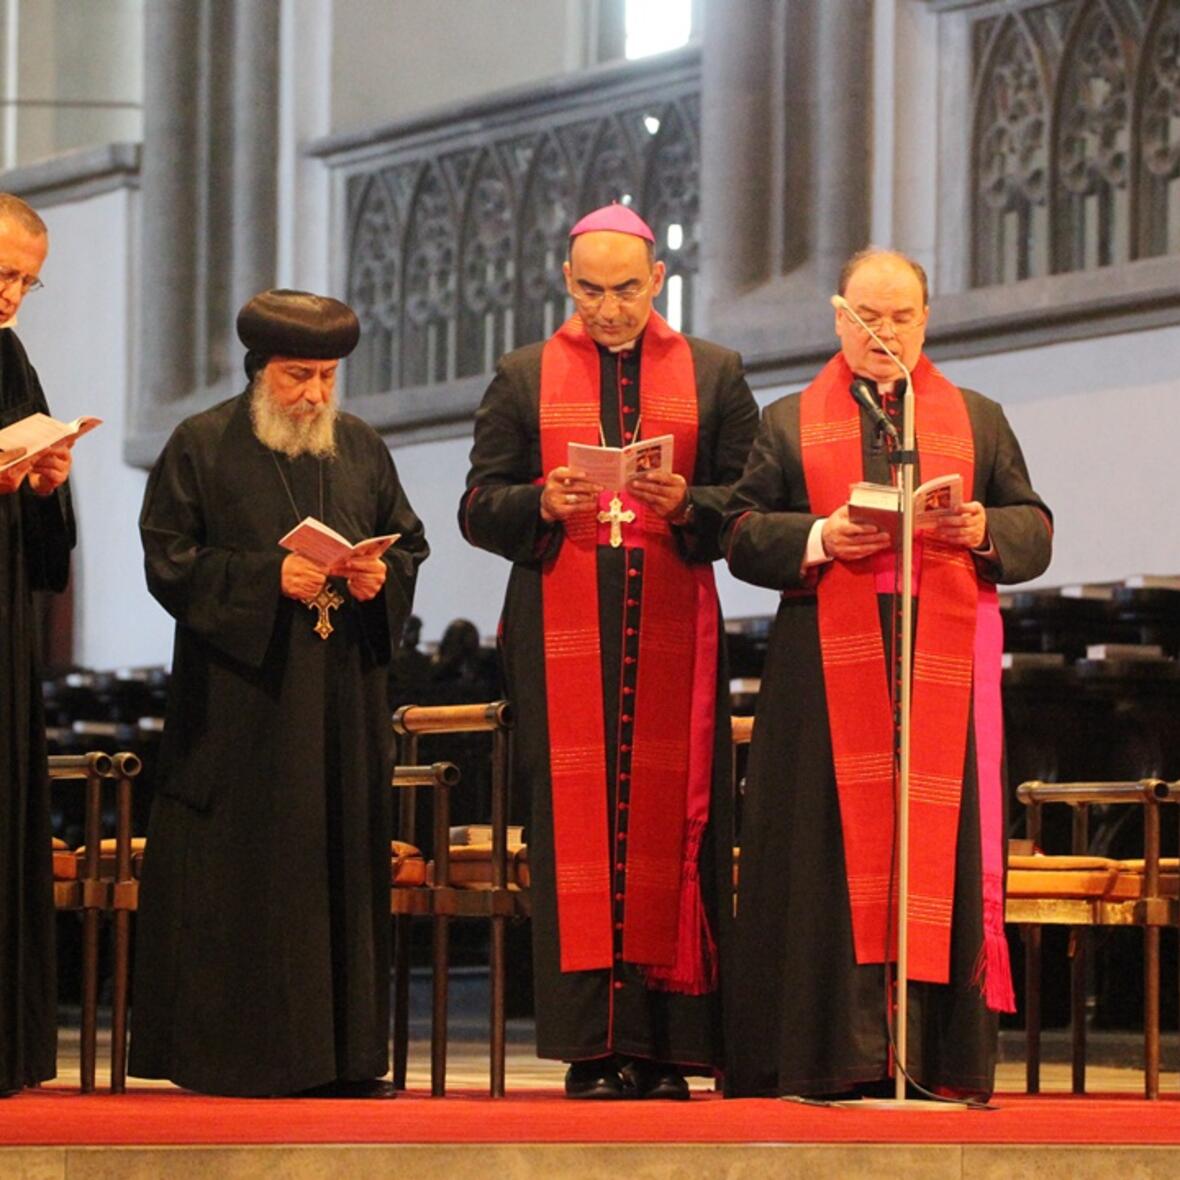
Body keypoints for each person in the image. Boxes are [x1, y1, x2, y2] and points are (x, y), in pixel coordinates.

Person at [722, 248, 1052, 1100]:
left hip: (939, 661)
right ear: (839, 318)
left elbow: (1034, 525)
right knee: (827, 855)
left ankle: (935, 1058)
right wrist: (821, 536)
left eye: (902, 318)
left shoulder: (976, 418)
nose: (885, 333)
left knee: (934, 853)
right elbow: (741, 533)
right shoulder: (789, 421)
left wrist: (982, 528)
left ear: (925, 320)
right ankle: (832, 1055)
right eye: (868, 318)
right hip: (825, 671)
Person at [459, 204, 758, 1099]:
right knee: (574, 833)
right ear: (566, 281)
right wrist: (540, 503)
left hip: (674, 629)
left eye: (625, 289)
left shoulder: (715, 372)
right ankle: (592, 1048)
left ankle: (667, 1049)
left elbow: (753, 505)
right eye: (589, 291)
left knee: (674, 827)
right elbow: (477, 506)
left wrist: (689, 502)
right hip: (561, 640)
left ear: (658, 279)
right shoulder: (523, 375)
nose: (608, 308)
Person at [129, 289, 428, 1097]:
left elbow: (409, 543)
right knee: (251, 874)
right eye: (299, 376)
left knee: (339, 864)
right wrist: (270, 577)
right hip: (244, 705)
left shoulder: (360, 446)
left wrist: (378, 577)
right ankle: (237, 1058)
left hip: (342, 701)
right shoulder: (202, 443)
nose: (314, 395)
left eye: (327, 377)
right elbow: (168, 560)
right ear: (260, 369)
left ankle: (344, 1060)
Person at [0, 194, 75, 1098]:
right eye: (2, 274)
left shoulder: (10, 359)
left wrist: (48, 481)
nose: (12, 295)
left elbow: (50, 558)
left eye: (26, 280)